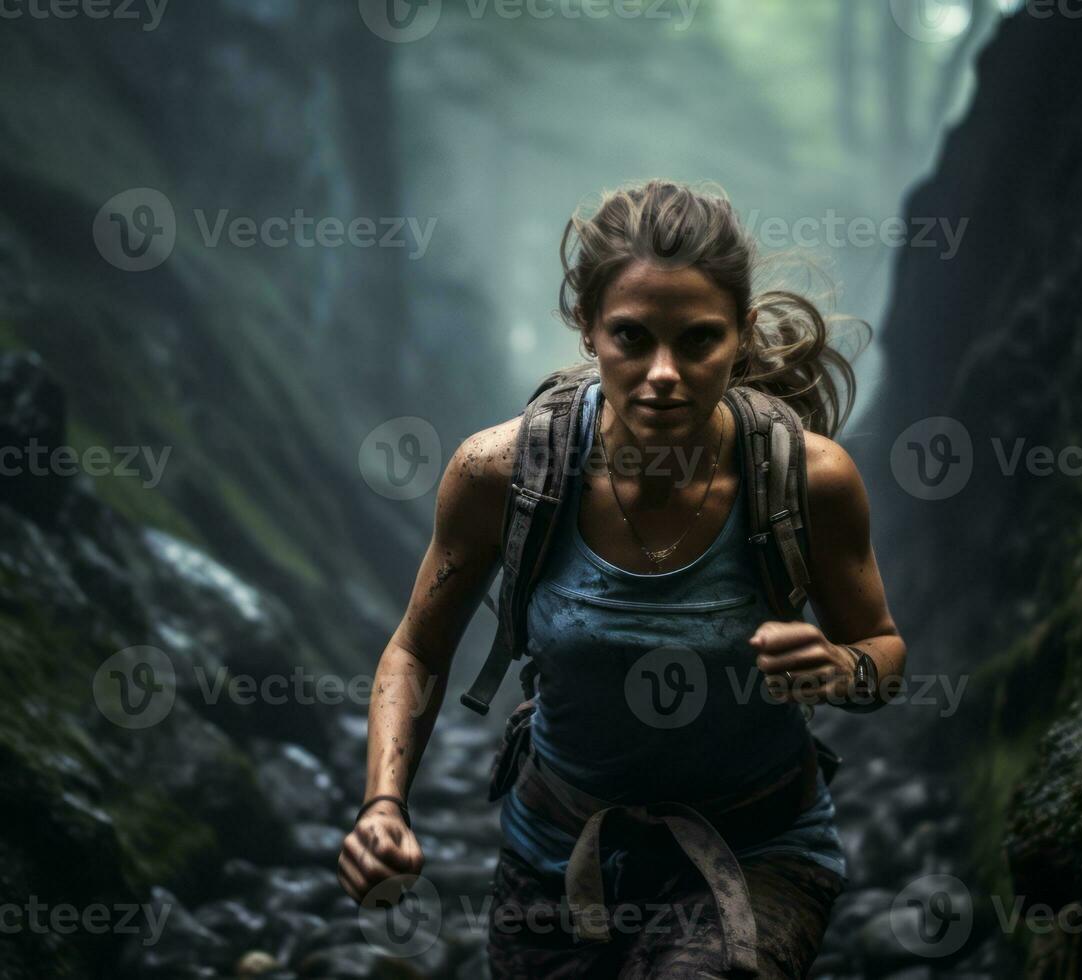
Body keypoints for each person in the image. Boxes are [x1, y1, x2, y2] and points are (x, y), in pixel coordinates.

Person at [337, 179, 907, 978]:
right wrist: (384, 805)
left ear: (741, 334)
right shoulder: (501, 473)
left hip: (756, 852)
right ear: (587, 329)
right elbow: (416, 652)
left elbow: (881, 653)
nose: (664, 373)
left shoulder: (807, 481)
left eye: (698, 340)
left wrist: (840, 668)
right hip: (556, 859)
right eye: (633, 338)